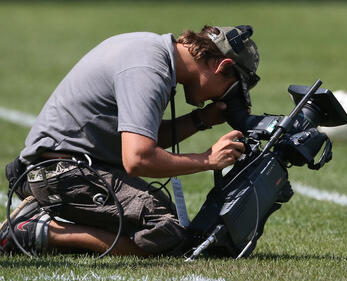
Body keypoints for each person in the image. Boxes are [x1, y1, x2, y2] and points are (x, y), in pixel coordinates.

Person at [0, 25, 259, 256]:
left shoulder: (152, 51)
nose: (221, 99)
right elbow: (138, 158)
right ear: (222, 66)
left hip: (63, 167)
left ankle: (50, 214)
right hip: (62, 173)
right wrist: (208, 160)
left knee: (163, 218)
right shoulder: (149, 69)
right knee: (168, 232)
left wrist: (199, 120)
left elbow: (144, 135)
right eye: (231, 90)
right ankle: (36, 229)